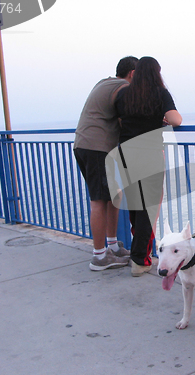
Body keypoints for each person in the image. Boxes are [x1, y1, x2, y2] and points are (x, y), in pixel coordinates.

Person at [114, 56, 182, 277]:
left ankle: (137, 253)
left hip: (125, 155)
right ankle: (140, 260)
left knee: (135, 206)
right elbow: (176, 120)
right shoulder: (159, 93)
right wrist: (160, 118)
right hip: (149, 156)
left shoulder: (124, 94)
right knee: (148, 209)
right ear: (156, 73)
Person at [74, 56, 138, 271]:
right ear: (132, 74)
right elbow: (128, 116)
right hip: (96, 148)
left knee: (114, 195)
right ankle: (99, 257)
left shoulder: (105, 83)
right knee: (99, 200)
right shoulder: (122, 88)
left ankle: (112, 246)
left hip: (88, 145)